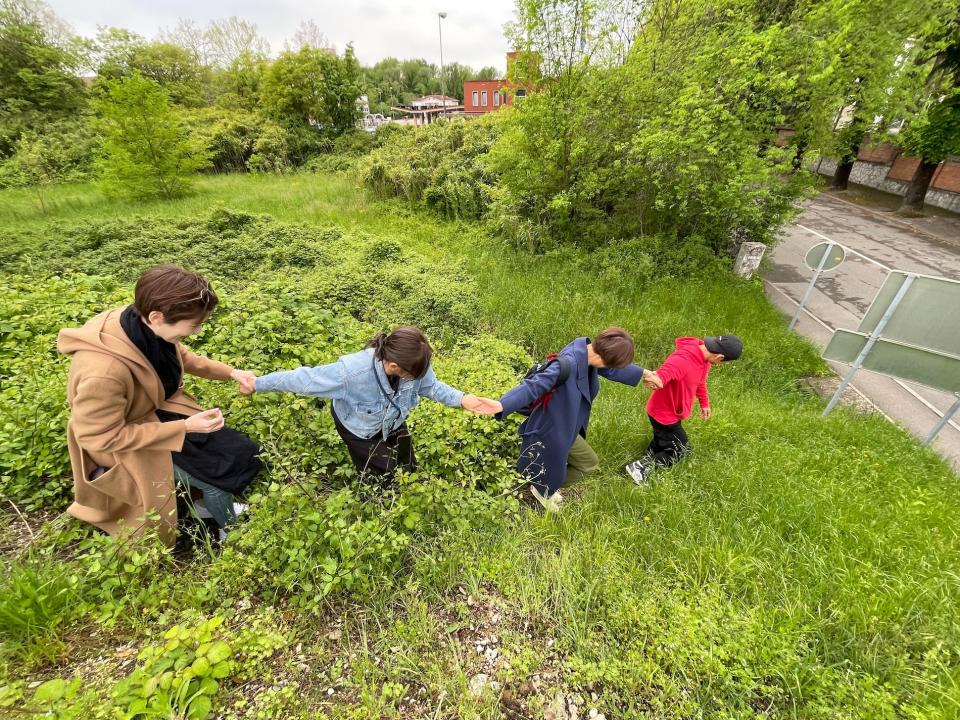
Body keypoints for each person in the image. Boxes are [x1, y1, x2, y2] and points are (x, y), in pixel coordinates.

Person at [57, 265, 262, 546]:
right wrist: (185, 426)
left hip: (154, 416)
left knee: (235, 451)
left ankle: (204, 506)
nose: (199, 330)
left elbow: (184, 358)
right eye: (194, 324)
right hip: (125, 444)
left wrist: (231, 372)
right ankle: (228, 526)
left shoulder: (139, 324)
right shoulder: (103, 374)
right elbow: (99, 438)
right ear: (157, 317)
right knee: (215, 478)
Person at [243, 326, 500, 478]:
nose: (419, 377)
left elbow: (430, 386)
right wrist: (257, 384)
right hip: (358, 428)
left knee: (407, 463)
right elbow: (304, 380)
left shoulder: (416, 362)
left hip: (393, 418)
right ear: (393, 365)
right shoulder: (352, 373)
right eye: (413, 375)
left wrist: (463, 399)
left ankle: (407, 485)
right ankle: (380, 501)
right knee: (383, 472)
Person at [489, 328, 662, 511]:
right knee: (586, 464)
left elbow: (610, 371)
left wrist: (644, 373)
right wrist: (501, 405)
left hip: (566, 425)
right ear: (604, 360)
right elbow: (533, 386)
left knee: (583, 463)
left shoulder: (586, 350)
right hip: (552, 428)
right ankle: (542, 489)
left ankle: (545, 485)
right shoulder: (569, 363)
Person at [625, 334, 743, 486]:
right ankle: (639, 468)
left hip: (673, 411)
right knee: (681, 450)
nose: (721, 364)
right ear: (720, 356)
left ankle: (647, 459)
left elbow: (700, 382)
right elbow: (667, 371)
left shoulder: (705, 358)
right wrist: (657, 379)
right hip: (663, 414)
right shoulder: (684, 359)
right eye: (724, 362)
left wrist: (704, 403)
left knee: (664, 439)